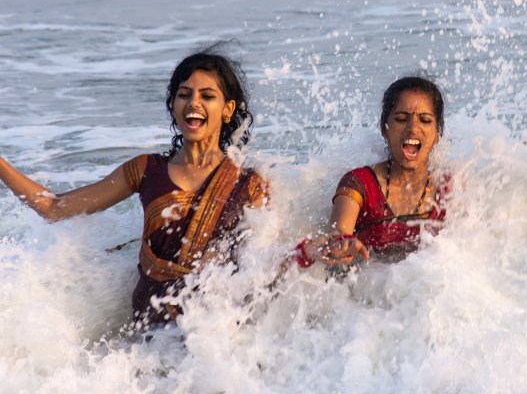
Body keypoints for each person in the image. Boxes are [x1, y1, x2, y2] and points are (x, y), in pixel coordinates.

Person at [0, 45, 267, 326]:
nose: (194, 103)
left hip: (218, 340)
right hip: (149, 340)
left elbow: (265, 262)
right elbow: (53, 208)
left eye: (207, 96)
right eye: (184, 94)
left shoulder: (249, 184)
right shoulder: (146, 170)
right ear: (173, 105)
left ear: (228, 109)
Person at [294, 76, 448, 268]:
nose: (412, 128)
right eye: (401, 119)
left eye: (425, 120)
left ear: (437, 135)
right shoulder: (360, 184)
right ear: (385, 130)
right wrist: (342, 244)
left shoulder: (449, 188)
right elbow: (339, 231)